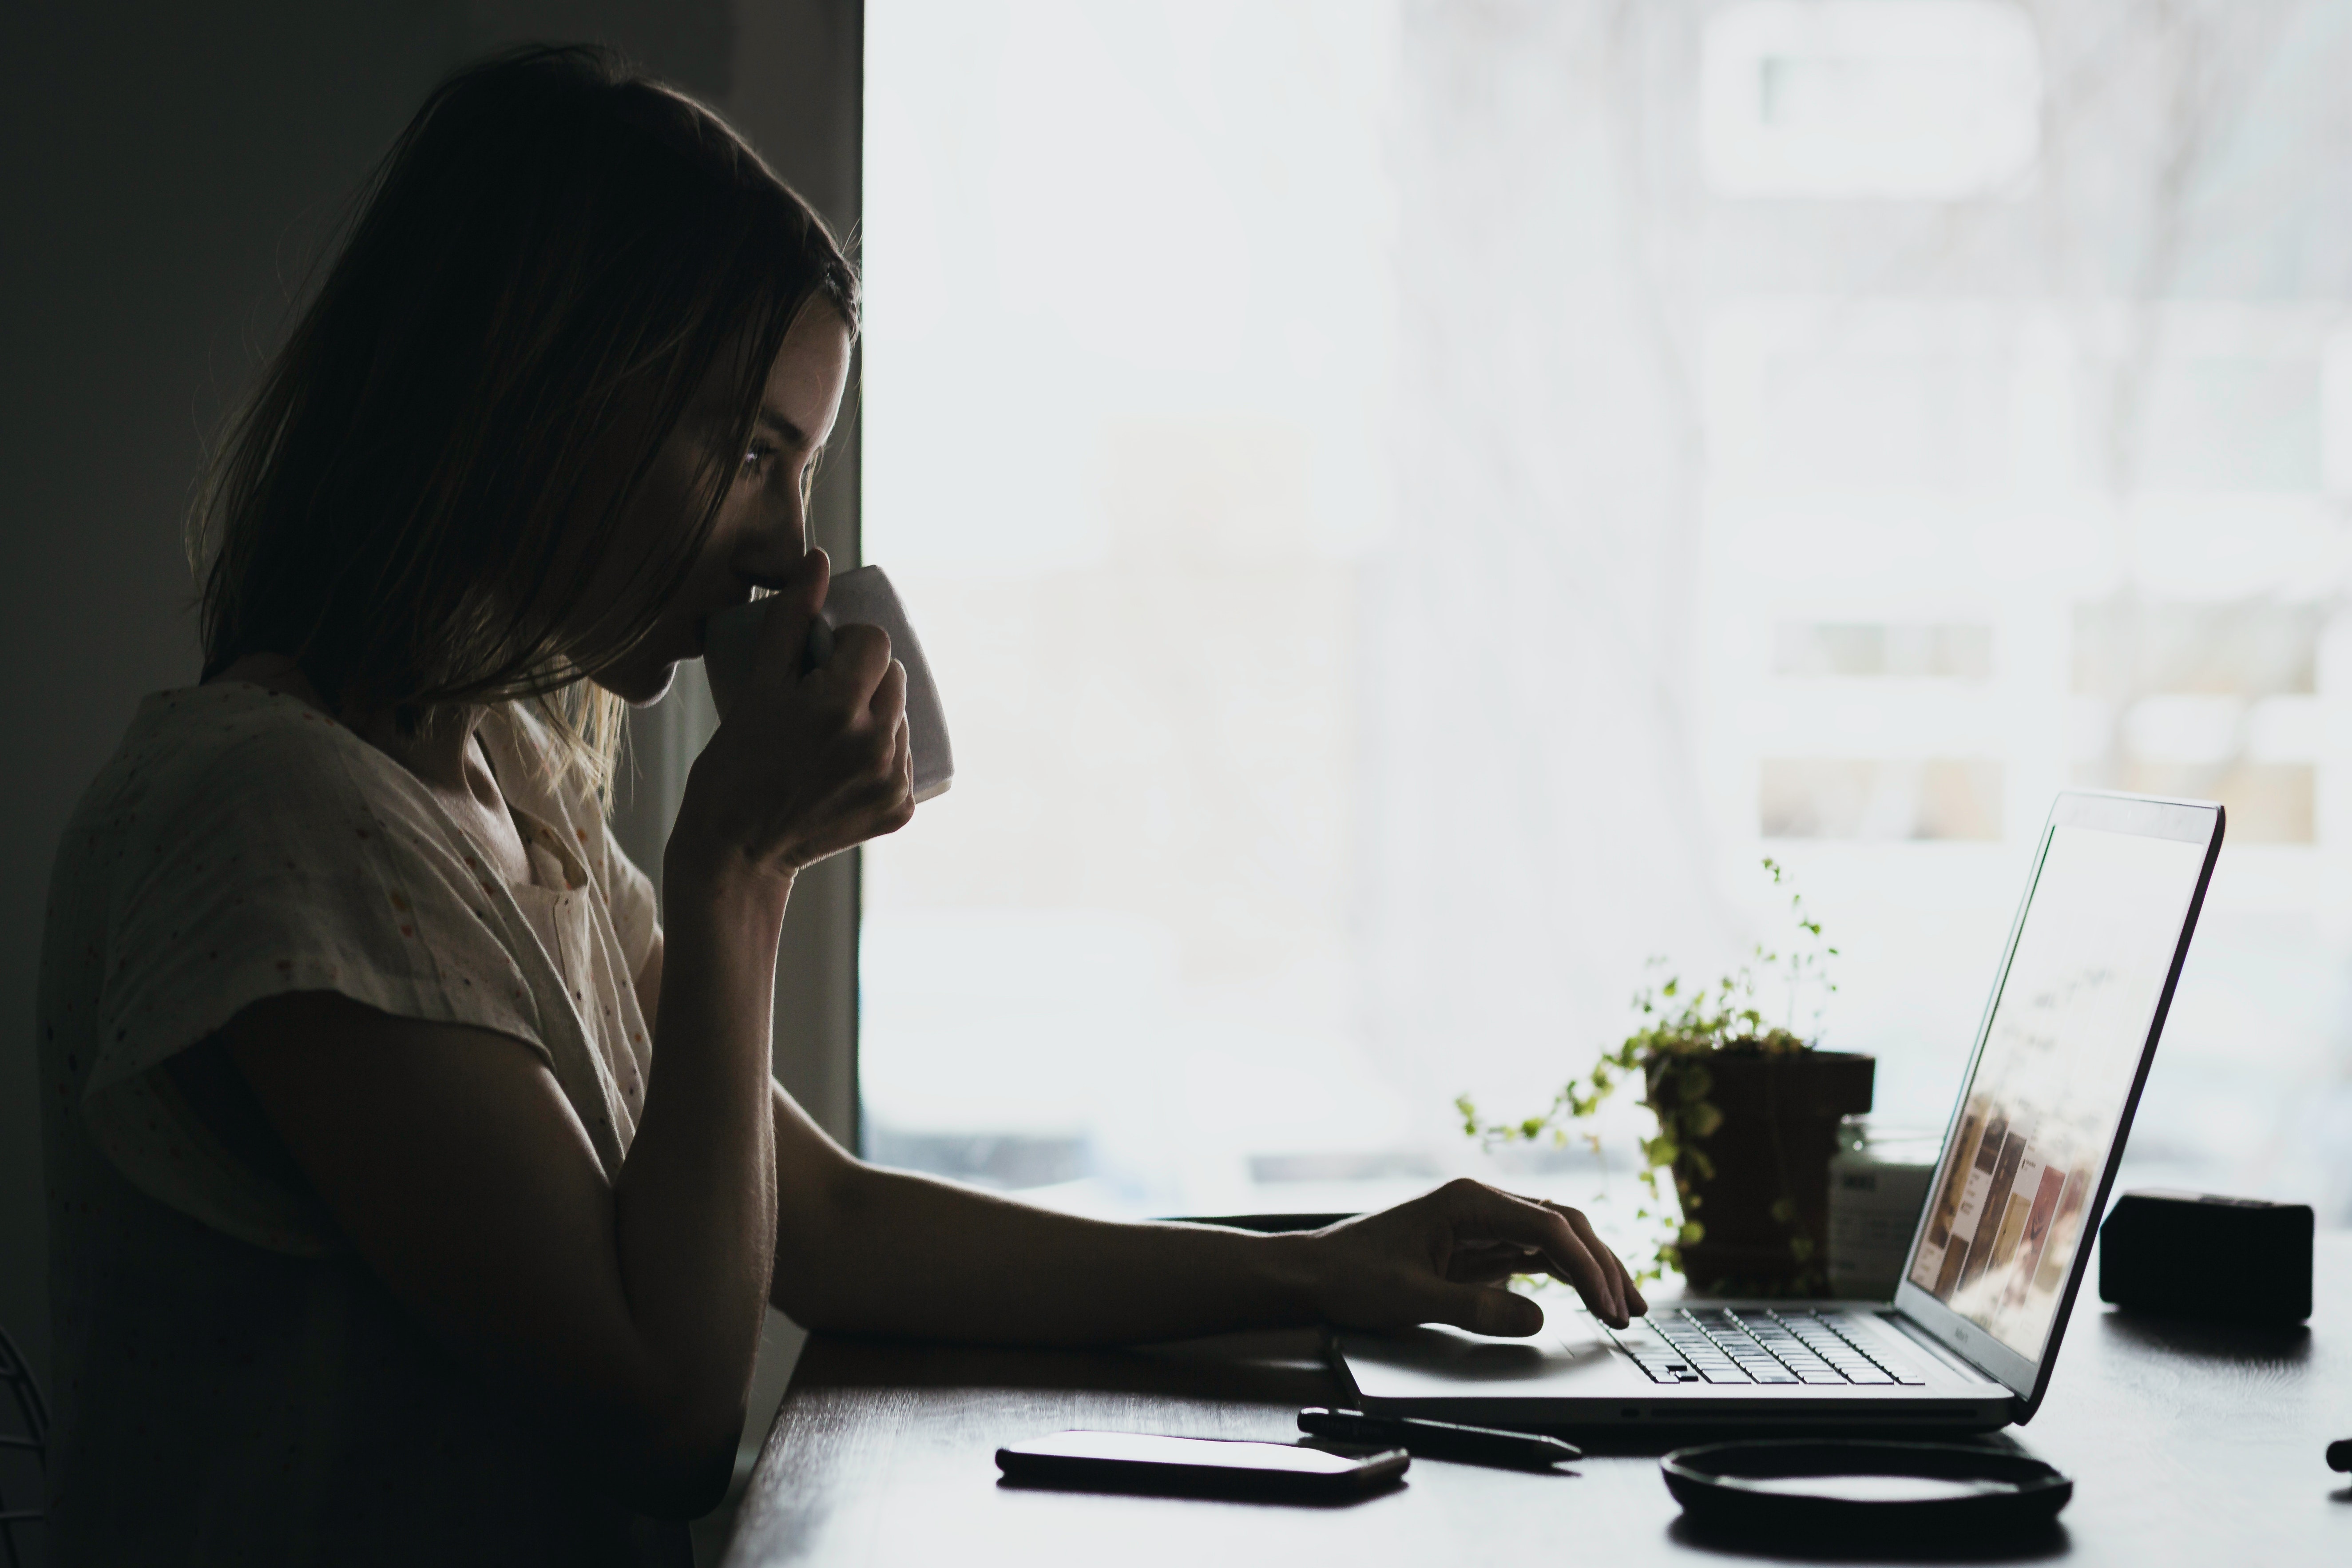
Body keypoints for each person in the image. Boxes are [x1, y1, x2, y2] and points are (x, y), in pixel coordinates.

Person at [36, 46, 1642, 1565]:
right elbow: (659, 1409)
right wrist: (738, 860)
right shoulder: (273, 816)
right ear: (542, 400)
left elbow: (821, 1220)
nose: (788, 554)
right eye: (751, 451)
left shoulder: (500, 788)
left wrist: (1327, 1266)